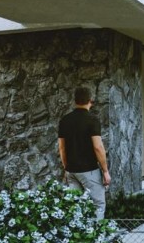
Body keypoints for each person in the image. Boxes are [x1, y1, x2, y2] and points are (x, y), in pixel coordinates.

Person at [58, 87, 111, 219]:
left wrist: (66, 168)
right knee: (98, 204)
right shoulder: (92, 120)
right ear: (90, 101)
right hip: (89, 170)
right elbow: (98, 147)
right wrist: (105, 171)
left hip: (71, 170)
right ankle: (96, 237)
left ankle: (79, 236)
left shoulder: (65, 120)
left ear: (75, 101)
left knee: (75, 205)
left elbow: (62, 148)